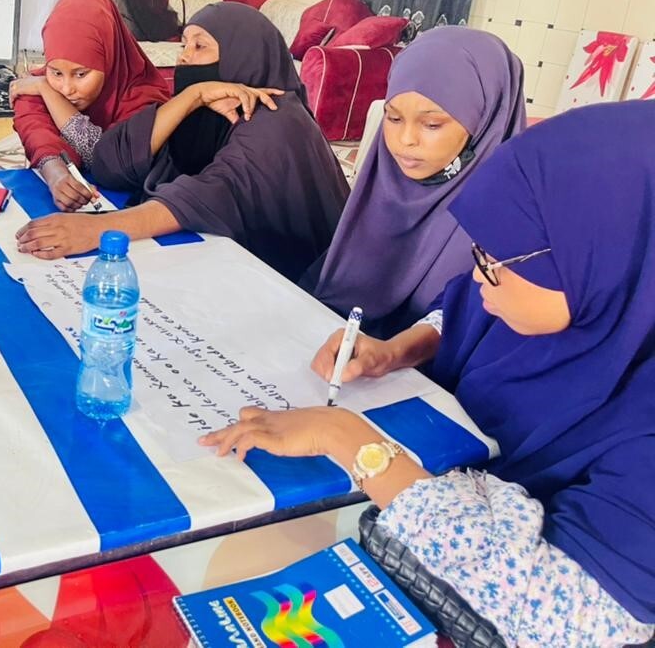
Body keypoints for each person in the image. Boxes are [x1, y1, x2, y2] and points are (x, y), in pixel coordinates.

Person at [201, 103, 655, 646]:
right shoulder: (598, 298)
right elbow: (461, 303)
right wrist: (397, 350)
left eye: (498, 260)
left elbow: (569, 615)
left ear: (604, 258)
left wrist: (349, 440)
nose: (479, 274)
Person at [16, 1, 350, 284]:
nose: (184, 58)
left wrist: (97, 230)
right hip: (230, 264)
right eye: (184, 45)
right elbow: (110, 163)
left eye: (200, 46)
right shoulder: (210, 108)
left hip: (296, 289)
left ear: (242, 53)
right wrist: (193, 95)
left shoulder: (277, 120)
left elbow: (213, 194)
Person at [305, 27, 527, 337]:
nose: (405, 140)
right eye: (393, 118)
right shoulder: (383, 185)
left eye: (432, 123)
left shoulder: (513, 219)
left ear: (486, 119)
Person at [11, 0, 171, 211]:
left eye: (81, 74)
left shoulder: (145, 96)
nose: (67, 89)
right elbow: (34, 128)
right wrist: (55, 172)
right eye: (56, 72)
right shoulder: (37, 83)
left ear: (108, 55)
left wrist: (48, 92)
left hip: (135, 211)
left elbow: (110, 158)